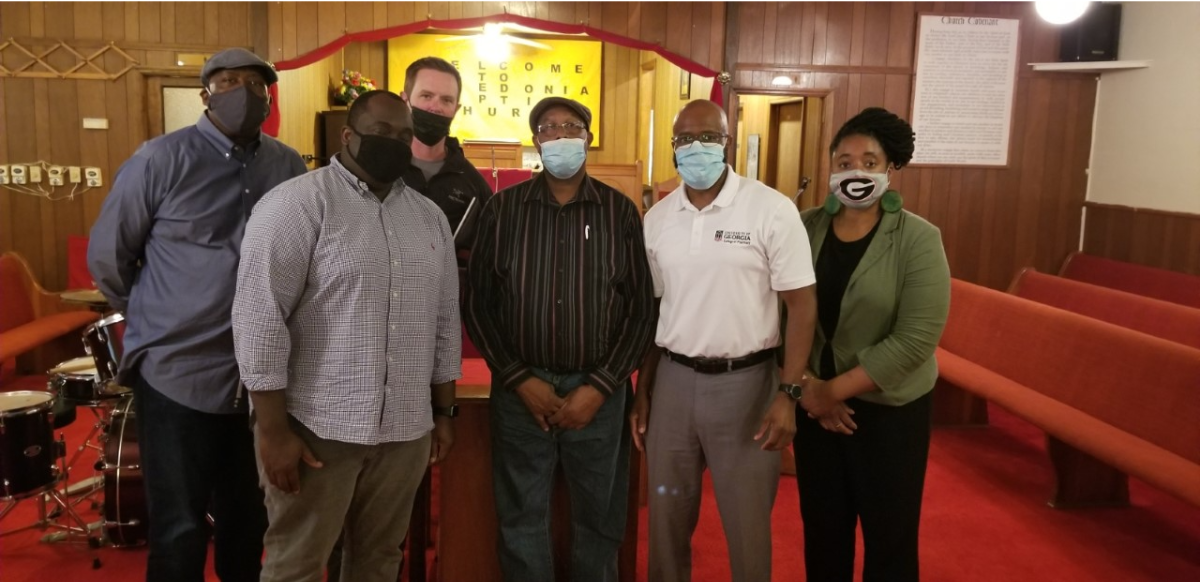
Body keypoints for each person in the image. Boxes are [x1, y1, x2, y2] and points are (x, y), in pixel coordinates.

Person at [87, 47, 306, 582]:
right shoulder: (159, 160)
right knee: (180, 529)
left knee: (248, 521)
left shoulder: (288, 165)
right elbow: (109, 259)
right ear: (205, 92)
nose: (246, 93)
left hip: (261, 382)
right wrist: (161, 318)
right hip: (178, 375)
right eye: (230, 81)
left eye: (257, 84)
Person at [231, 90, 460, 582]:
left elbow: (444, 324)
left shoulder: (429, 219)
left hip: (404, 430)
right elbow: (259, 322)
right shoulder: (295, 206)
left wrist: (443, 412)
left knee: (378, 560)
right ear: (348, 135)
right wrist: (271, 432)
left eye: (404, 136)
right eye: (382, 133)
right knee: (297, 563)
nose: (395, 144)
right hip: (316, 430)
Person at [464, 96, 655, 582]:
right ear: (537, 142)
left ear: (588, 138)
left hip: (600, 393)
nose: (561, 134)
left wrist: (601, 386)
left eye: (572, 126)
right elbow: (479, 303)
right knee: (521, 518)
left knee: (599, 520)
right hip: (519, 391)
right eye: (549, 128)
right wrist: (519, 379)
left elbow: (640, 310)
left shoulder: (620, 212)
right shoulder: (502, 210)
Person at [631, 99, 817, 582]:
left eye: (708, 138)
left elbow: (802, 306)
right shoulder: (657, 219)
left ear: (727, 142)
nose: (697, 148)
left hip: (748, 386)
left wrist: (788, 393)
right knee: (666, 523)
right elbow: (654, 311)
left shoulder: (770, 209)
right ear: (672, 148)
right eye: (685, 139)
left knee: (747, 525)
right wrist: (645, 390)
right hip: (673, 382)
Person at [323, 54, 493, 582]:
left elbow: (482, 276)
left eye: (446, 101)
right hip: (349, 366)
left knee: (397, 511)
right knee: (334, 515)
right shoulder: (358, 179)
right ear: (405, 97)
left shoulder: (471, 185)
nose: (435, 108)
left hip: (427, 354)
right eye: (426, 97)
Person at [792, 106, 951, 582]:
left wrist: (831, 392)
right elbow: (779, 317)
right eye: (843, 162)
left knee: (890, 537)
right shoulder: (805, 227)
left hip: (888, 410)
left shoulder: (919, 239)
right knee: (823, 531)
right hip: (813, 404)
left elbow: (916, 338)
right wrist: (806, 387)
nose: (855, 171)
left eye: (868, 161)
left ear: (889, 168)